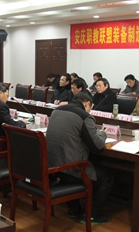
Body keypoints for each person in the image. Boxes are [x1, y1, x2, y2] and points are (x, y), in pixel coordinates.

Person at [46, 93, 113, 224]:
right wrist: (102, 134)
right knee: (107, 178)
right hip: (71, 169)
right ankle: (91, 215)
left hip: (53, 167)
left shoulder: (57, 111)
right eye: (90, 108)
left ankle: (74, 209)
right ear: (87, 104)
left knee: (70, 166)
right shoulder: (84, 116)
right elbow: (97, 145)